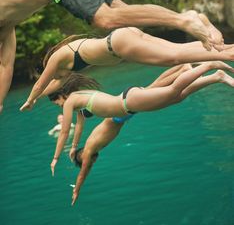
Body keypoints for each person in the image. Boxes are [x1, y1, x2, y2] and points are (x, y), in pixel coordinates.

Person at [0, 0, 225, 111]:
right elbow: (6, 66)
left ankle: (183, 20)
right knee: (126, 18)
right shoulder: (7, 26)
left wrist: (31, 99)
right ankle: (197, 21)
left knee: (105, 19)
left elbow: (33, 79)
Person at [48, 61, 234, 205]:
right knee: (166, 92)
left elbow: (71, 141)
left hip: (127, 104)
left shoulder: (88, 150)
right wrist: (72, 147)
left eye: (58, 103)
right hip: (126, 105)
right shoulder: (80, 101)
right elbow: (79, 125)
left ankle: (209, 67)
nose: (60, 107)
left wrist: (76, 189)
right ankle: (202, 73)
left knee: (173, 92)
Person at [19, 27, 234, 112]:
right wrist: (36, 98)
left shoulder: (56, 60)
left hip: (119, 46)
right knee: (177, 49)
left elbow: (41, 83)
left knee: (174, 57)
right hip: (123, 35)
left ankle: (221, 58)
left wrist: (30, 100)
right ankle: (224, 49)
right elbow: (49, 86)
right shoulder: (65, 59)